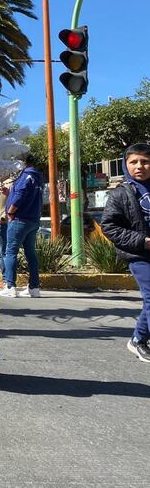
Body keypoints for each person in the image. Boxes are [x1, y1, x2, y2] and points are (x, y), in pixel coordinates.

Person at [100, 143, 150, 363]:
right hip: (139, 254)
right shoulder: (121, 193)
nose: (140, 166)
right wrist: (143, 241)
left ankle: (138, 340)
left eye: (145, 161)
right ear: (126, 164)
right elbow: (109, 226)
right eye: (134, 162)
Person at [0, 155, 44, 298]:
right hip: (33, 220)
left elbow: (20, 194)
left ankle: (10, 286)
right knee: (30, 253)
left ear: (24, 163)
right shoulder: (38, 177)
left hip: (19, 219)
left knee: (10, 252)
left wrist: (11, 211)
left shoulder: (25, 176)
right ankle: (34, 287)